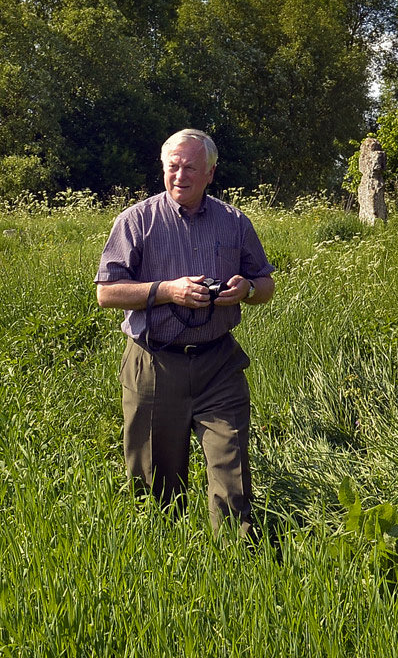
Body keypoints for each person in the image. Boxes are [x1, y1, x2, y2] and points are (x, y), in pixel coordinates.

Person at [94, 129, 275, 536]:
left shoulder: (233, 222)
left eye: (190, 167)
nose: (179, 175)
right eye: (172, 167)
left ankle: (236, 566)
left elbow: (265, 284)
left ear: (210, 172)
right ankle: (162, 564)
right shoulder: (136, 221)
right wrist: (166, 291)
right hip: (154, 364)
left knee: (232, 475)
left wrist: (244, 289)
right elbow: (107, 293)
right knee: (156, 486)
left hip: (218, 365)